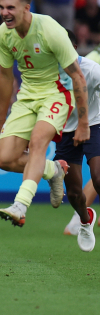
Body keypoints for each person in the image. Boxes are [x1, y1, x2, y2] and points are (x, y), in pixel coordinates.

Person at [0, 0, 89, 227]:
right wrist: (1, 119)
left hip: (56, 94)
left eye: (11, 7)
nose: (5, 13)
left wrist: (84, 123)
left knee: (38, 142)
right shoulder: (3, 33)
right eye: (1, 7)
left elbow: (78, 76)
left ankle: (20, 205)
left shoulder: (49, 29)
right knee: (4, 159)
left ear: (26, 8)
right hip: (27, 97)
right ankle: (53, 169)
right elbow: (5, 76)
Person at [54, 30, 99, 252]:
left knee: (98, 177)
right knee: (73, 193)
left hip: (94, 124)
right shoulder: (47, 73)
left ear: (74, 49)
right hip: (66, 130)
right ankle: (84, 220)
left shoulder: (91, 69)